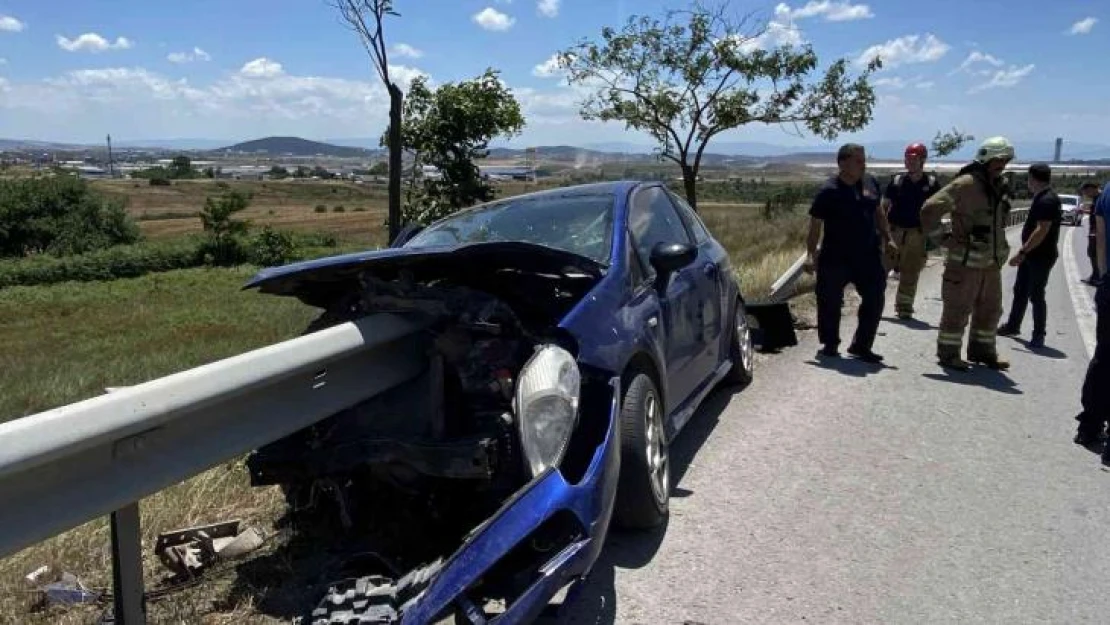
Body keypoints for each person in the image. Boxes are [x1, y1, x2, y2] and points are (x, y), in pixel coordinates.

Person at [920, 136, 1015, 372]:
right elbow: (929, 209)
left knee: (990, 310)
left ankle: (983, 352)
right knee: (957, 309)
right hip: (964, 264)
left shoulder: (998, 185)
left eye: (1005, 160)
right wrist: (942, 239)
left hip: (990, 265)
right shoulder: (966, 184)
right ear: (985, 159)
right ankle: (949, 354)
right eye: (998, 160)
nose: (1002, 165)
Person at [803, 143, 893, 363]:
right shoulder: (829, 191)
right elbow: (815, 225)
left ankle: (861, 345)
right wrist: (809, 254)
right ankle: (830, 343)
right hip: (836, 256)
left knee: (875, 297)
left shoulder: (870, 182)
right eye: (858, 161)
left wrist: (888, 238)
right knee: (830, 301)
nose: (864, 164)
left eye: (864, 160)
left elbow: (879, 212)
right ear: (843, 163)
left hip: (867, 255)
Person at [997, 163, 1063, 348]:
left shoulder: (1047, 200)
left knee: (1036, 295)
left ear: (1032, 179)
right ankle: (1013, 325)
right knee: (1020, 291)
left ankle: (1039, 334)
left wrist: (1023, 252)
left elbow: (1042, 230)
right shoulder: (1043, 197)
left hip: (1040, 256)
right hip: (1032, 256)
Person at [881, 142, 939, 320]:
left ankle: (904, 307)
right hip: (894, 232)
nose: (909, 162)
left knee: (910, 272)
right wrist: (881, 231)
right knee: (880, 269)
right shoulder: (897, 181)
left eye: (913, 159)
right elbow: (883, 207)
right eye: (907, 158)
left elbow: (937, 210)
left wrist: (932, 234)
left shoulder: (931, 184)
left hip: (916, 234)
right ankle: (872, 303)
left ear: (922, 160)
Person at [1074, 181, 1109, 461]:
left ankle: (1089, 426)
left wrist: (1104, 277)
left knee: (1104, 356)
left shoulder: (1107, 193)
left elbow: (1100, 243)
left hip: (1109, 286)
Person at [1080, 182, 1103, 286]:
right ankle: (1095, 275)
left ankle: (1098, 277)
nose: (1086, 195)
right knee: (1091, 254)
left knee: (1096, 255)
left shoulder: (1102, 198)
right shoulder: (1096, 199)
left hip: (1098, 233)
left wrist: (1098, 232)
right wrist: (1085, 211)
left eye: (1086, 192)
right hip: (1093, 231)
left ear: (1091, 189)